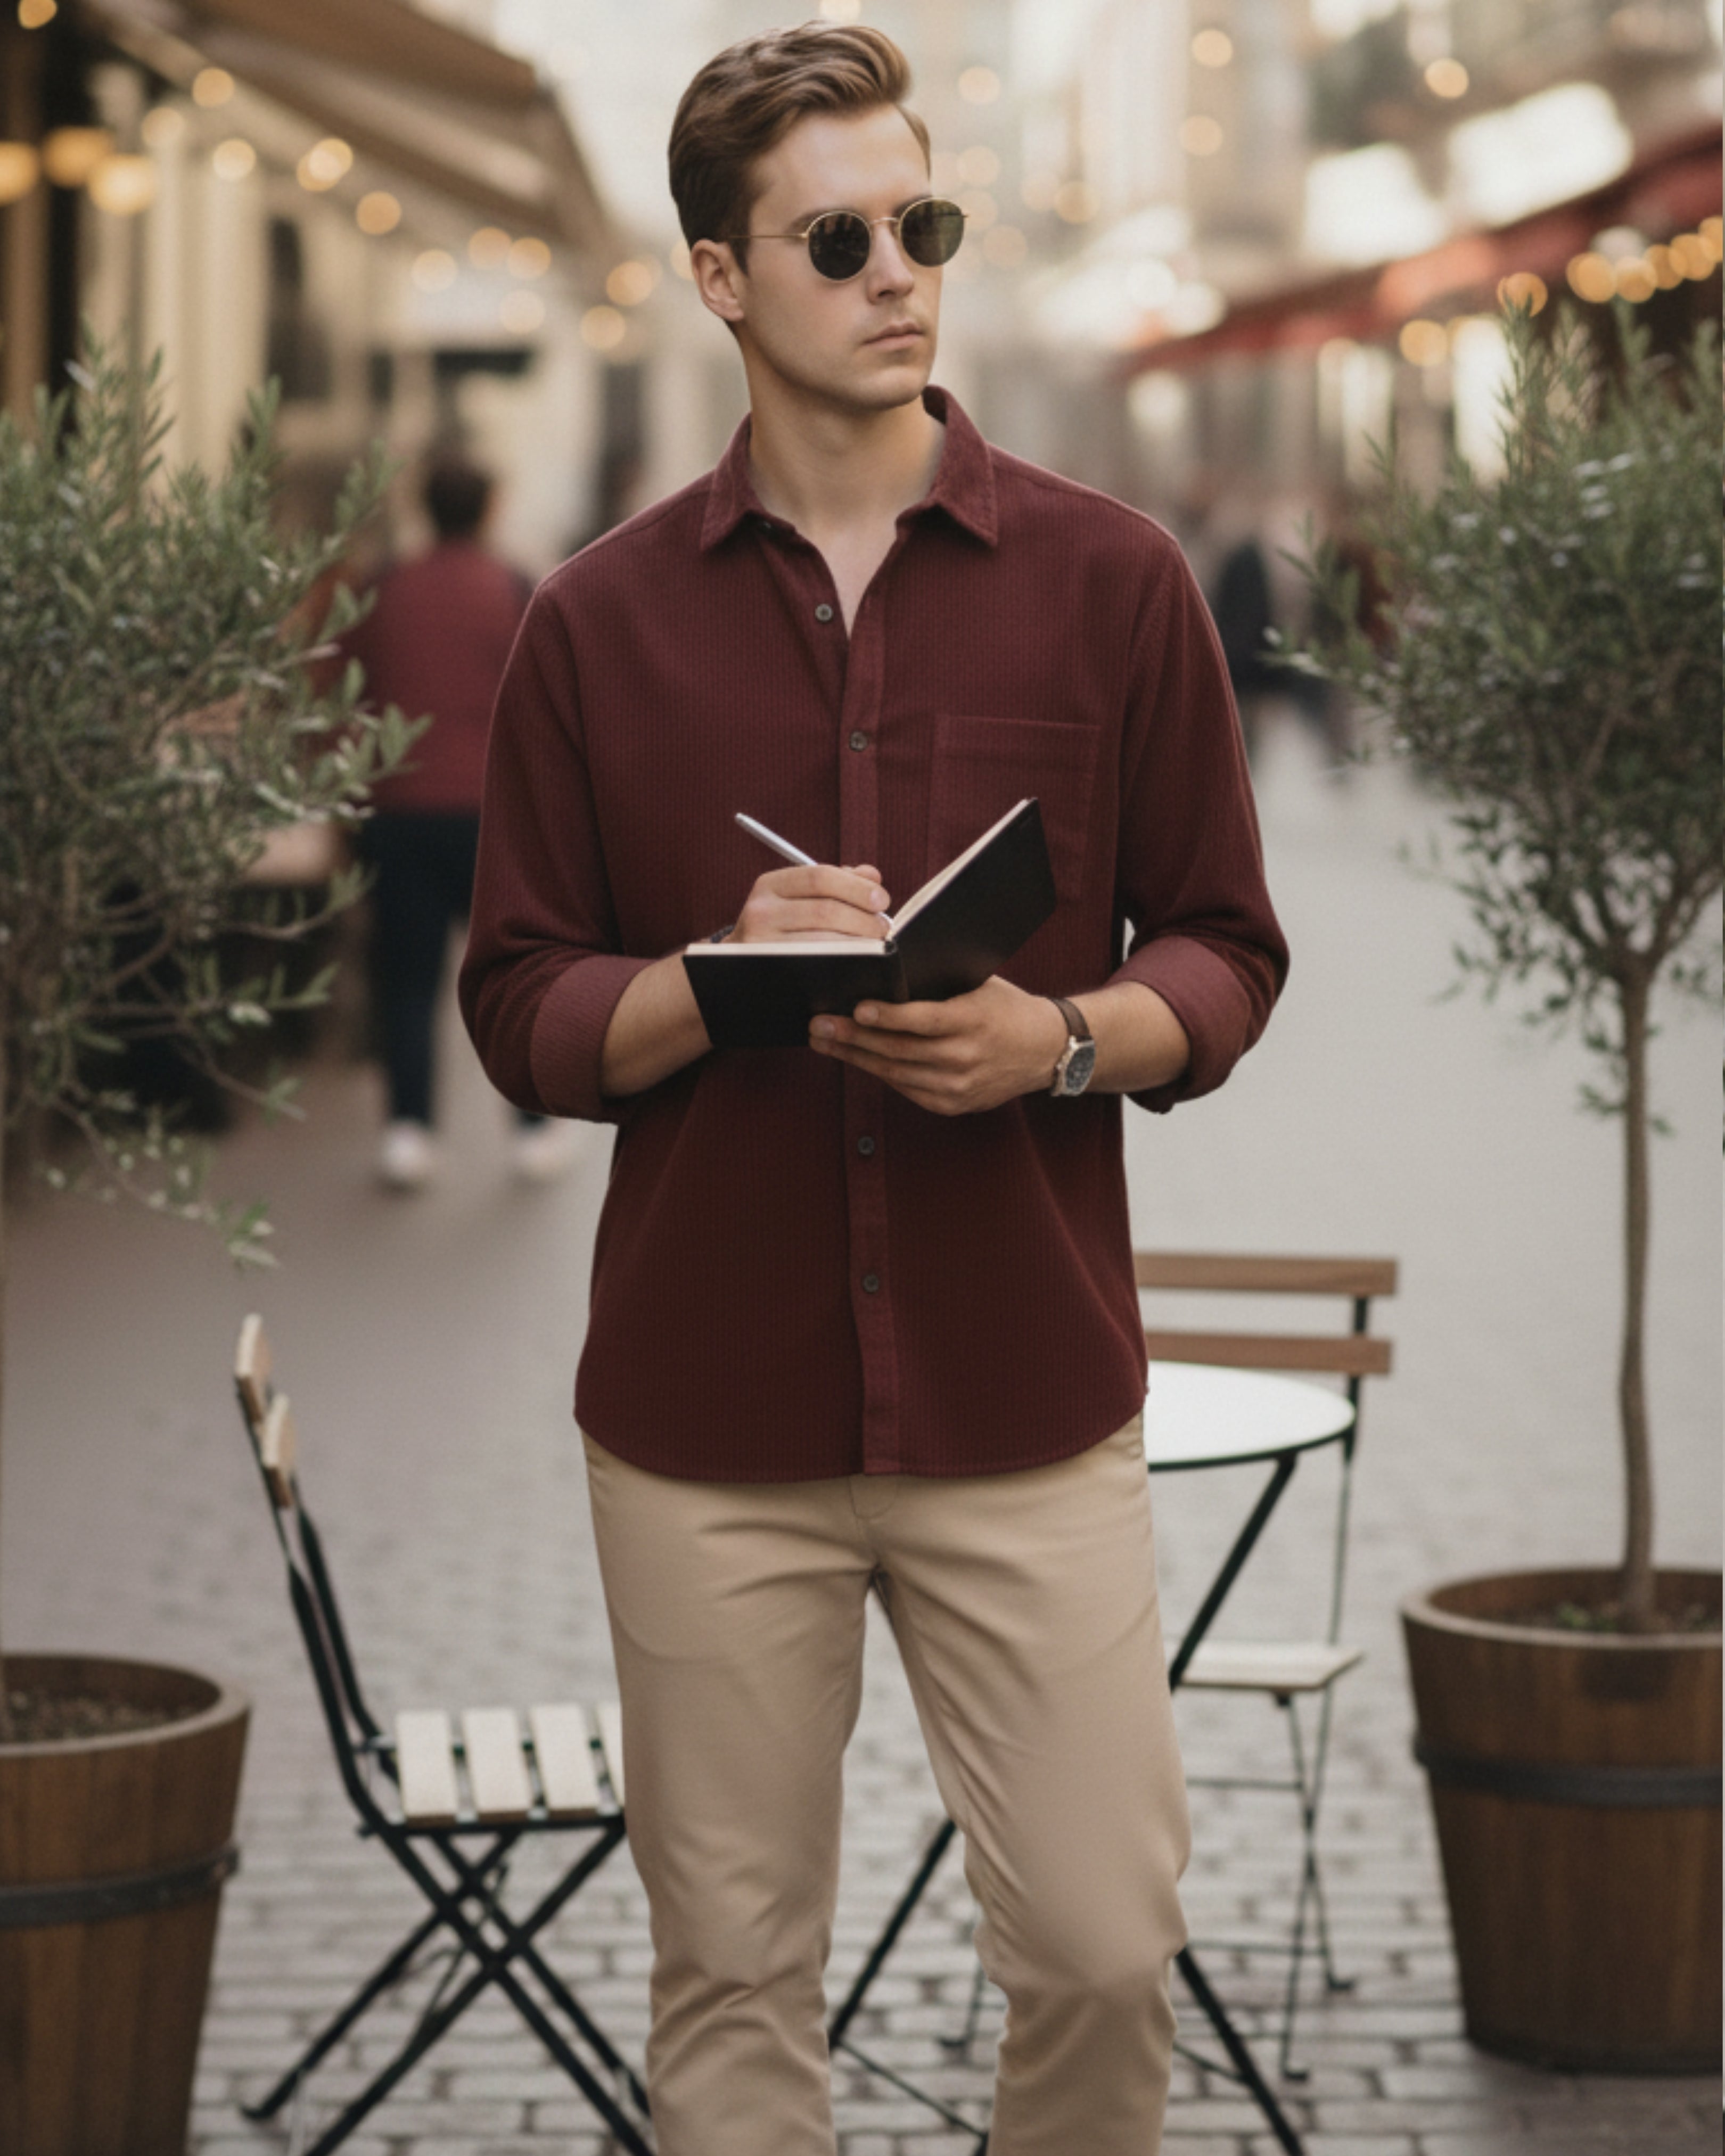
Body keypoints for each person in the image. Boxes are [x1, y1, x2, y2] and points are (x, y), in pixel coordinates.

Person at [459, 24, 1287, 2156]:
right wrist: (709, 988)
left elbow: (1227, 940)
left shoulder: (1115, 583)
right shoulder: (591, 622)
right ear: (722, 279)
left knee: (1105, 1948)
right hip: (705, 1421)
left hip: (1024, 1392)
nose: (900, 273)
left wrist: (1062, 1038)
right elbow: (519, 1002)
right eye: (839, 239)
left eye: (925, 224)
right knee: (732, 1987)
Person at [344, 451, 575, 1188]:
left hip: (398, 807)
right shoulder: (513, 590)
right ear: (490, 508)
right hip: (488, 813)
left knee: (407, 978)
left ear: (423, 507)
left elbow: (341, 693)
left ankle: (408, 1132)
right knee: (510, 971)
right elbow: (544, 709)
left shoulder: (381, 589)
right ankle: (531, 1130)